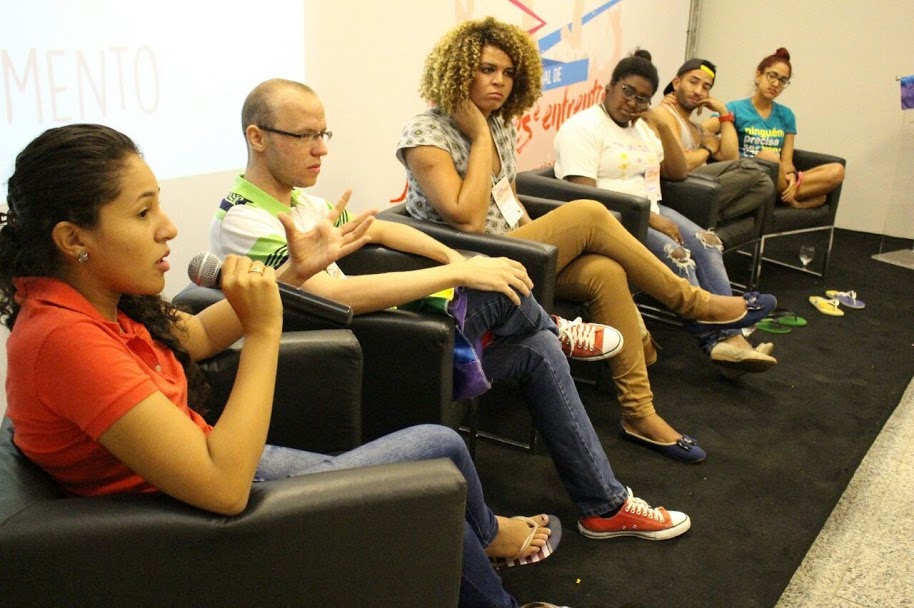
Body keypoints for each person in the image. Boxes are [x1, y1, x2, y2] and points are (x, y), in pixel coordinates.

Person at [1, 124, 562, 608]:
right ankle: (491, 554)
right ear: (72, 239)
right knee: (439, 450)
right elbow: (224, 488)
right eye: (143, 212)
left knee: (436, 471)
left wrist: (292, 274)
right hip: (187, 524)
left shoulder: (99, 300)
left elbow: (197, 335)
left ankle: (484, 550)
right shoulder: (64, 340)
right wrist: (266, 331)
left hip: (197, 467)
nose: (168, 228)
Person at [211, 77, 695, 550]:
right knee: (497, 292)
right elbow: (333, 297)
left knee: (538, 349)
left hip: (401, 339)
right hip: (353, 359)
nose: (320, 149)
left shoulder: (302, 200)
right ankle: (550, 322)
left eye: (324, 134)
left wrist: (455, 257)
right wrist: (458, 273)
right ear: (258, 137)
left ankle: (604, 506)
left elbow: (377, 229)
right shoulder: (244, 218)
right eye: (305, 136)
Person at [395, 17, 776, 462]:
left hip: (515, 253)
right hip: (472, 269)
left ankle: (639, 413)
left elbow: (508, 202)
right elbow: (468, 220)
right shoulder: (425, 134)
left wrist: (540, 241)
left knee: (605, 271)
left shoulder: (500, 123)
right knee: (591, 211)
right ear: (458, 71)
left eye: (508, 72)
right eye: (486, 70)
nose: (499, 81)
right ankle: (695, 304)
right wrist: (479, 135)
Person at [553, 50, 777, 376]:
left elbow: (677, 171)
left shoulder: (644, 127)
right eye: (627, 91)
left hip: (651, 209)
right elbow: (585, 197)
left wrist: (659, 123)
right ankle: (718, 342)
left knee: (708, 242)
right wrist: (648, 217)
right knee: (679, 255)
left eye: (642, 98)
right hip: (614, 221)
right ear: (609, 87)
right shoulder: (582, 127)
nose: (632, 102)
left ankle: (730, 340)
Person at [720, 47, 845, 209]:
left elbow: (786, 161)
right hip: (751, 175)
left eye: (783, 80)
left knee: (837, 170)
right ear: (758, 75)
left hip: (779, 175)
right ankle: (794, 202)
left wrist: (791, 176)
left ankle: (787, 193)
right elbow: (705, 130)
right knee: (768, 156)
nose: (776, 84)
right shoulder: (735, 108)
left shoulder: (786, 115)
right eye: (772, 76)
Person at [656, 57, 775, 222]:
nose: (698, 91)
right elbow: (684, 164)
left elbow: (731, 157)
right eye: (693, 82)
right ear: (676, 83)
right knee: (750, 167)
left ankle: (709, 216)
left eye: (706, 87)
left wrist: (723, 112)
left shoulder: (696, 127)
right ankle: (703, 214)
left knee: (765, 185)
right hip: (679, 187)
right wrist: (707, 149)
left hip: (700, 186)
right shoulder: (665, 114)